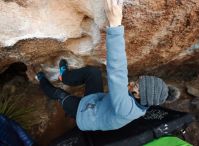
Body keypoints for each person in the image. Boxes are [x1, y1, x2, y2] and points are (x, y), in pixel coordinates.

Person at [36, 0, 180, 131]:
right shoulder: (143, 100)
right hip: (98, 102)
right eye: (136, 82)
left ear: (137, 96)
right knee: (93, 73)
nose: (130, 84)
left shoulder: (125, 108)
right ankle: (65, 76)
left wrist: (115, 25)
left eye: (134, 86)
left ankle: (40, 78)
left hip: (86, 116)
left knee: (60, 95)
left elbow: (117, 70)